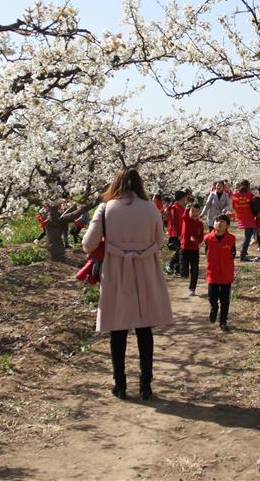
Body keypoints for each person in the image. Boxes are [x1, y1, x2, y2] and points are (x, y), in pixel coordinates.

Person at [82, 168, 174, 401]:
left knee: (118, 329)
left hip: (117, 270)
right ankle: (145, 385)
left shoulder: (105, 209)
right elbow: (160, 241)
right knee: (145, 329)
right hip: (144, 269)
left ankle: (120, 384)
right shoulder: (151, 208)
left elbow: (88, 244)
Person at [204, 214, 236, 331]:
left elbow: (233, 253)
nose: (219, 223)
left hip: (226, 273)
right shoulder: (208, 238)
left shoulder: (231, 238)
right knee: (212, 297)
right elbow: (206, 251)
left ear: (227, 225)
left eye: (222, 221)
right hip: (212, 272)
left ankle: (223, 321)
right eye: (217, 220)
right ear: (213, 223)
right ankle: (214, 308)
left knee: (225, 299)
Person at [180, 204, 205, 297]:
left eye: (196, 211)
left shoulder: (200, 224)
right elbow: (184, 215)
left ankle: (192, 288)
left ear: (199, 213)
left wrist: (196, 241)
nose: (194, 213)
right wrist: (186, 209)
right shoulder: (186, 220)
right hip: (184, 249)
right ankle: (183, 273)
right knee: (184, 272)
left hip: (194, 250)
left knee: (195, 270)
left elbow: (201, 237)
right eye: (192, 211)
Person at [232, 180, 257, 261]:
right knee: (248, 236)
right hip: (249, 216)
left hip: (241, 216)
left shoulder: (235, 194)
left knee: (247, 235)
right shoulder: (250, 194)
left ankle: (243, 251)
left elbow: (233, 206)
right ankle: (243, 254)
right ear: (248, 185)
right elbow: (254, 205)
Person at [165, 190, 188, 275]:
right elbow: (174, 222)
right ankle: (171, 264)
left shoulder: (182, 208)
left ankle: (177, 269)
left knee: (182, 251)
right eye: (183, 199)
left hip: (181, 233)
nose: (184, 201)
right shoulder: (174, 208)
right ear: (179, 199)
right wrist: (178, 234)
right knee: (180, 250)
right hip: (175, 234)